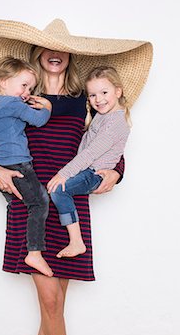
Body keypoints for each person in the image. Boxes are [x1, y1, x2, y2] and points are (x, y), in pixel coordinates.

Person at [0, 18, 152, 335]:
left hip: (69, 204)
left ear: (69, 57)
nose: (55, 53)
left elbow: (108, 143)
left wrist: (117, 173)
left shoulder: (82, 103)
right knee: (50, 298)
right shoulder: (19, 100)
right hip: (31, 200)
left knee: (55, 302)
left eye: (62, 48)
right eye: (47, 47)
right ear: (38, 55)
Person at [47, 66, 131, 259]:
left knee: (59, 189)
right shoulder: (102, 116)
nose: (98, 99)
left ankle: (76, 241)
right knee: (58, 191)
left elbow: (91, 153)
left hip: (93, 173)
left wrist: (64, 173)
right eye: (92, 95)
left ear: (118, 91)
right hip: (86, 169)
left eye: (104, 92)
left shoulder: (115, 122)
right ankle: (74, 239)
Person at [0, 56, 53, 277]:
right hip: (18, 165)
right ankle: (34, 253)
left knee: (17, 207)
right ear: (4, 81)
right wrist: (48, 107)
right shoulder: (12, 104)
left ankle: (20, 249)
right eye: (24, 85)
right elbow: (39, 120)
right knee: (40, 202)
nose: (27, 93)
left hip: (0, 170)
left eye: (30, 88)